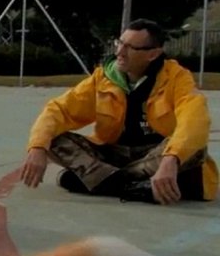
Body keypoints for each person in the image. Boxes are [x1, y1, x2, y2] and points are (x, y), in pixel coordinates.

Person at [20, 18, 216, 205]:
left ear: (153, 54)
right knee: (51, 139)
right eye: (119, 43)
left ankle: (103, 181)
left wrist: (171, 159)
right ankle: (134, 186)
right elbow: (58, 110)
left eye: (130, 47)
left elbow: (195, 119)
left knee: (194, 148)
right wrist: (37, 148)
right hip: (112, 155)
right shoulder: (104, 78)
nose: (120, 52)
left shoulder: (176, 78)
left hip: (155, 155)